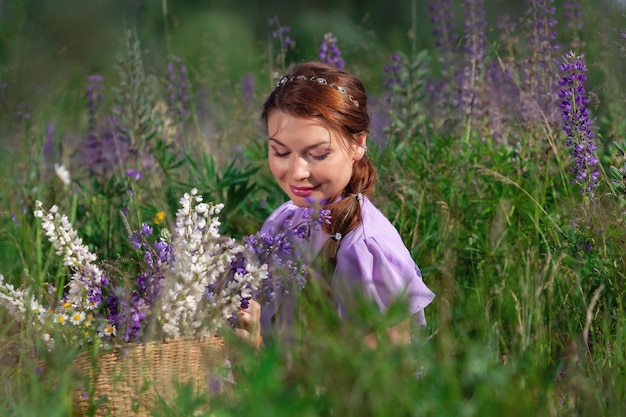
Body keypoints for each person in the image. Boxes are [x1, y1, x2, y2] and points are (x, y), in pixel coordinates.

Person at [235, 61, 435, 350]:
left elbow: (385, 383)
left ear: (358, 144)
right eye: (280, 151)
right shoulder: (283, 221)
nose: (296, 172)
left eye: (317, 154)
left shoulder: (367, 248)